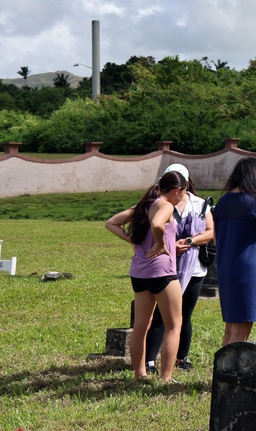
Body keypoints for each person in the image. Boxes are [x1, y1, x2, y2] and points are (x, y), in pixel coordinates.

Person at [105, 170, 187, 384]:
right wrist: (160, 244)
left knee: (141, 326)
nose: (183, 197)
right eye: (183, 192)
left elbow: (111, 223)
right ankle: (166, 378)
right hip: (162, 272)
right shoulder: (166, 205)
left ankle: (139, 373)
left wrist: (133, 239)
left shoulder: (144, 205)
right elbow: (158, 225)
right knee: (173, 326)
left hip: (139, 273)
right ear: (176, 190)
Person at [143, 163, 214, 374]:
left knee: (185, 314)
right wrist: (171, 246)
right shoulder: (158, 204)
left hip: (194, 269)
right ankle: (150, 361)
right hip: (166, 267)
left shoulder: (200, 204)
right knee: (160, 316)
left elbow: (211, 232)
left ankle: (182, 357)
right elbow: (151, 232)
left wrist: (191, 241)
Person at [213, 157, 256, 346]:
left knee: (231, 327)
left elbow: (216, 237)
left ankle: (222, 369)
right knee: (242, 328)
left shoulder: (224, 201)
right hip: (248, 268)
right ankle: (231, 371)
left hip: (226, 265)